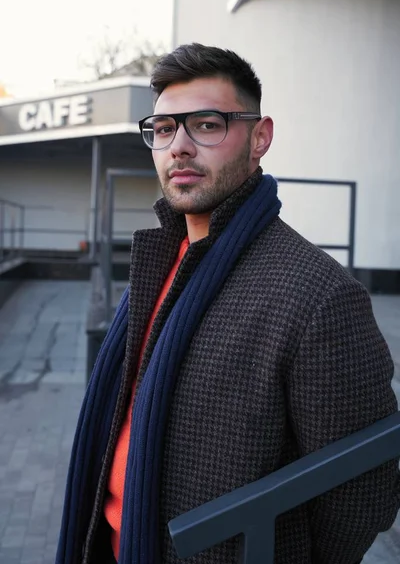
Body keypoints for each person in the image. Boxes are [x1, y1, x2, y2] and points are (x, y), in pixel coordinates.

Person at [57, 43, 400, 564]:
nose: (180, 147)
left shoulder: (318, 295)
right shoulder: (158, 264)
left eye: (208, 124)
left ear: (259, 138)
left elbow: (360, 493)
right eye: (166, 128)